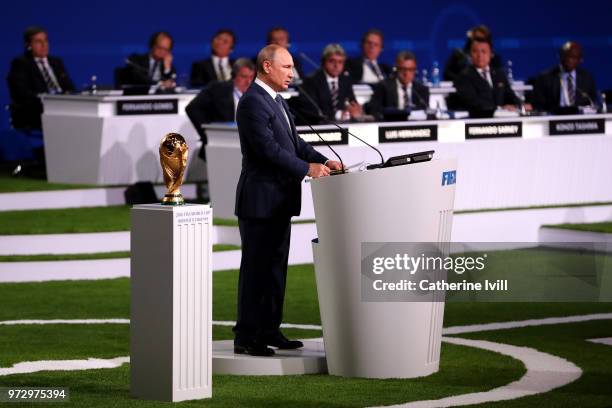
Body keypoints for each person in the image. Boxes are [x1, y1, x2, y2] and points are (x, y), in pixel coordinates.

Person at [233, 44, 342, 357]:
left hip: (278, 201)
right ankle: (247, 336)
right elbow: (268, 151)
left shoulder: (277, 101)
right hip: (260, 200)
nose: (291, 73)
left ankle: (269, 329)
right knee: (256, 269)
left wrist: (325, 160)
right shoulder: (253, 102)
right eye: (286, 67)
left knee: (275, 268)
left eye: (292, 67)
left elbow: (295, 144)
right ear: (267, 66)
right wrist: (308, 169)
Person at [185, 58, 256, 160]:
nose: (248, 81)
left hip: (248, 149)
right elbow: (192, 108)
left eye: (251, 77)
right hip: (220, 146)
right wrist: (208, 133)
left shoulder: (256, 94)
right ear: (234, 75)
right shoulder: (217, 89)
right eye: (244, 77)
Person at [7, 26, 75, 131]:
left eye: (46, 41)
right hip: (37, 109)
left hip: (62, 106)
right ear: (28, 45)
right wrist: (47, 98)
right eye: (38, 42)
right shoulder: (21, 63)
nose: (44, 45)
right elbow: (20, 92)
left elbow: (69, 87)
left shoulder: (56, 62)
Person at [453, 38, 523, 117]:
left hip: (502, 119)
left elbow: (510, 96)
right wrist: (499, 109)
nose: (480, 55)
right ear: (470, 54)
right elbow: (472, 103)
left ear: (491, 54)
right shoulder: (464, 76)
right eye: (475, 52)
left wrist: (518, 106)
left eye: (484, 51)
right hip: (477, 121)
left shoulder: (499, 74)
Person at [296, 43, 363, 123]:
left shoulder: (345, 80)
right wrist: (338, 114)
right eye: (332, 61)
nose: (336, 65)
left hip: (343, 125)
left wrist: (356, 110)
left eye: (340, 62)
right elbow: (312, 111)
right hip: (319, 126)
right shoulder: (311, 81)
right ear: (323, 62)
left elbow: (352, 102)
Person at [529, 41, 597, 113]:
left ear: (580, 60)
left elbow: (592, 102)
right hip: (554, 117)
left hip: (580, 119)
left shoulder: (587, 78)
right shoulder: (545, 78)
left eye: (574, 57)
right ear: (560, 57)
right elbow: (538, 104)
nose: (569, 60)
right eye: (567, 56)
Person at [369, 51, 430, 121]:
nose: (406, 73)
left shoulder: (421, 90)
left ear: (415, 70)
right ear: (397, 69)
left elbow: (425, 113)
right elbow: (375, 111)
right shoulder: (383, 87)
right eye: (403, 69)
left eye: (410, 69)